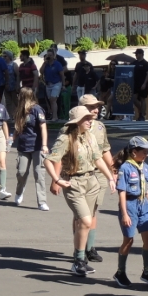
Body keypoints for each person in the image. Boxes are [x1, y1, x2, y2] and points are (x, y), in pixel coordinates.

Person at [45, 106, 116, 276]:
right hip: (74, 183)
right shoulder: (65, 139)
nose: (90, 120)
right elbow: (49, 160)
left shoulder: (89, 136)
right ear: (77, 121)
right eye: (86, 118)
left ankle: (80, 259)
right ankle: (78, 261)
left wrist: (110, 177)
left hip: (91, 181)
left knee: (85, 222)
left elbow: (98, 159)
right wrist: (57, 179)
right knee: (85, 220)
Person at [113, 136, 148, 288]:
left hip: (144, 205)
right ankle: (120, 272)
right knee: (129, 240)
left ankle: (147, 272)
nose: (147, 154)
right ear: (134, 152)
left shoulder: (145, 167)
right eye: (144, 152)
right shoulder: (125, 168)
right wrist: (125, 214)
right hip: (130, 205)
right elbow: (121, 192)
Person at [78, 94, 114, 262]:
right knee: (81, 214)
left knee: (93, 211)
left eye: (97, 107)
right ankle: (79, 250)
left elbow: (105, 149)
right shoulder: (73, 127)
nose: (96, 110)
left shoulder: (100, 127)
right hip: (80, 175)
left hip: (98, 175)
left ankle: (90, 248)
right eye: (92, 107)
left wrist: (113, 170)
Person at [13, 86, 50, 210]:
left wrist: (44, 145)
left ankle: (42, 202)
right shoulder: (19, 110)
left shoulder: (37, 110)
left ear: (24, 96)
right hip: (23, 146)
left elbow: (43, 128)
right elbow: (18, 128)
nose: (18, 97)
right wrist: (11, 139)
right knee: (21, 172)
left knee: (39, 174)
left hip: (37, 146)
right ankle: (19, 191)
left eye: (19, 95)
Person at [41, 50, 64, 120]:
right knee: (50, 100)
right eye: (48, 55)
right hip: (48, 84)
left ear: (53, 56)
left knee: (53, 99)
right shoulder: (45, 64)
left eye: (50, 55)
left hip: (56, 83)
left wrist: (63, 85)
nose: (49, 57)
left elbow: (62, 75)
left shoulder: (57, 64)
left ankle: (55, 117)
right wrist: (44, 63)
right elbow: (41, 72)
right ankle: (53, 115)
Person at [133, 48, 148, 121]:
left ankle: (142, 115)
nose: (136, 55)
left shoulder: (145, 63)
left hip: (143, 84)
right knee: (134, 99)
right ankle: (142, 111)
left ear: (141, 54)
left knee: (142, 99)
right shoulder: (134, 63)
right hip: (135, 84)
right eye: (135, 54)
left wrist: (144, 83)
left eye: (137, 54)